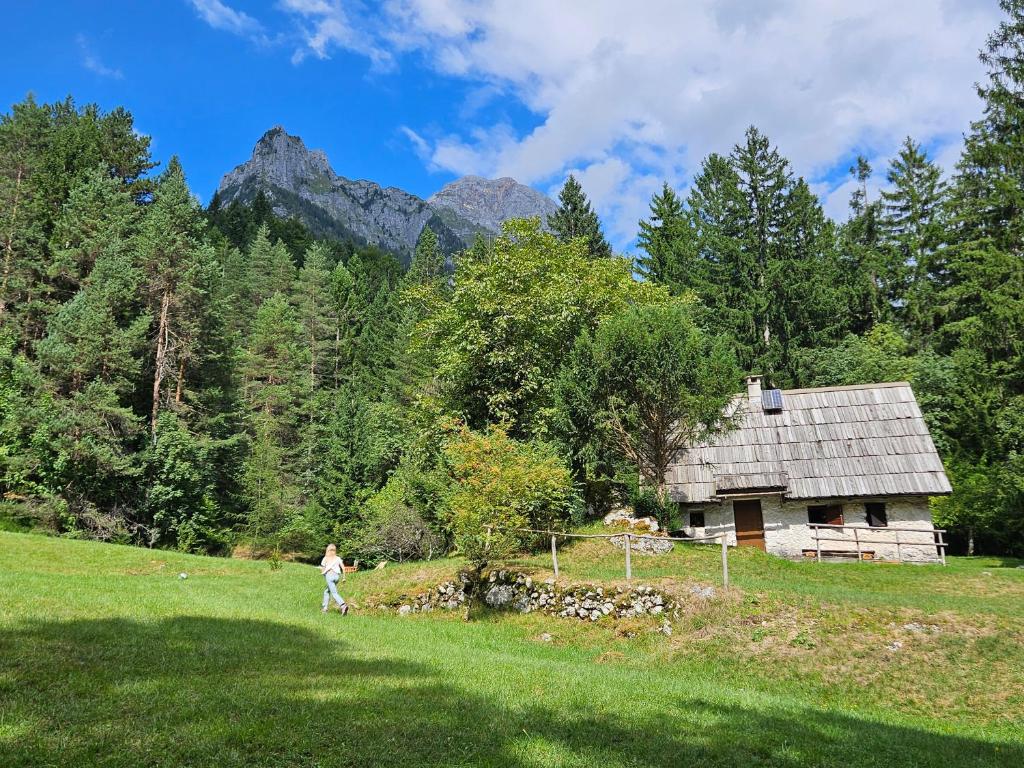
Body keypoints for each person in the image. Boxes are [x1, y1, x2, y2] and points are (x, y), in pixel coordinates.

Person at [320, 544, 349, 615]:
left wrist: (325, 575)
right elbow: (343, 568)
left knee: (334, 593)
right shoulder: (338, 558)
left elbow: (322, 569)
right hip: (337, 577)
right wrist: (344, 577)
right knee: (327, 591)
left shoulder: (326, 558)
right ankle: (324, 608)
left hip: (329, 576)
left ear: (327, 550)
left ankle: (343, 605)